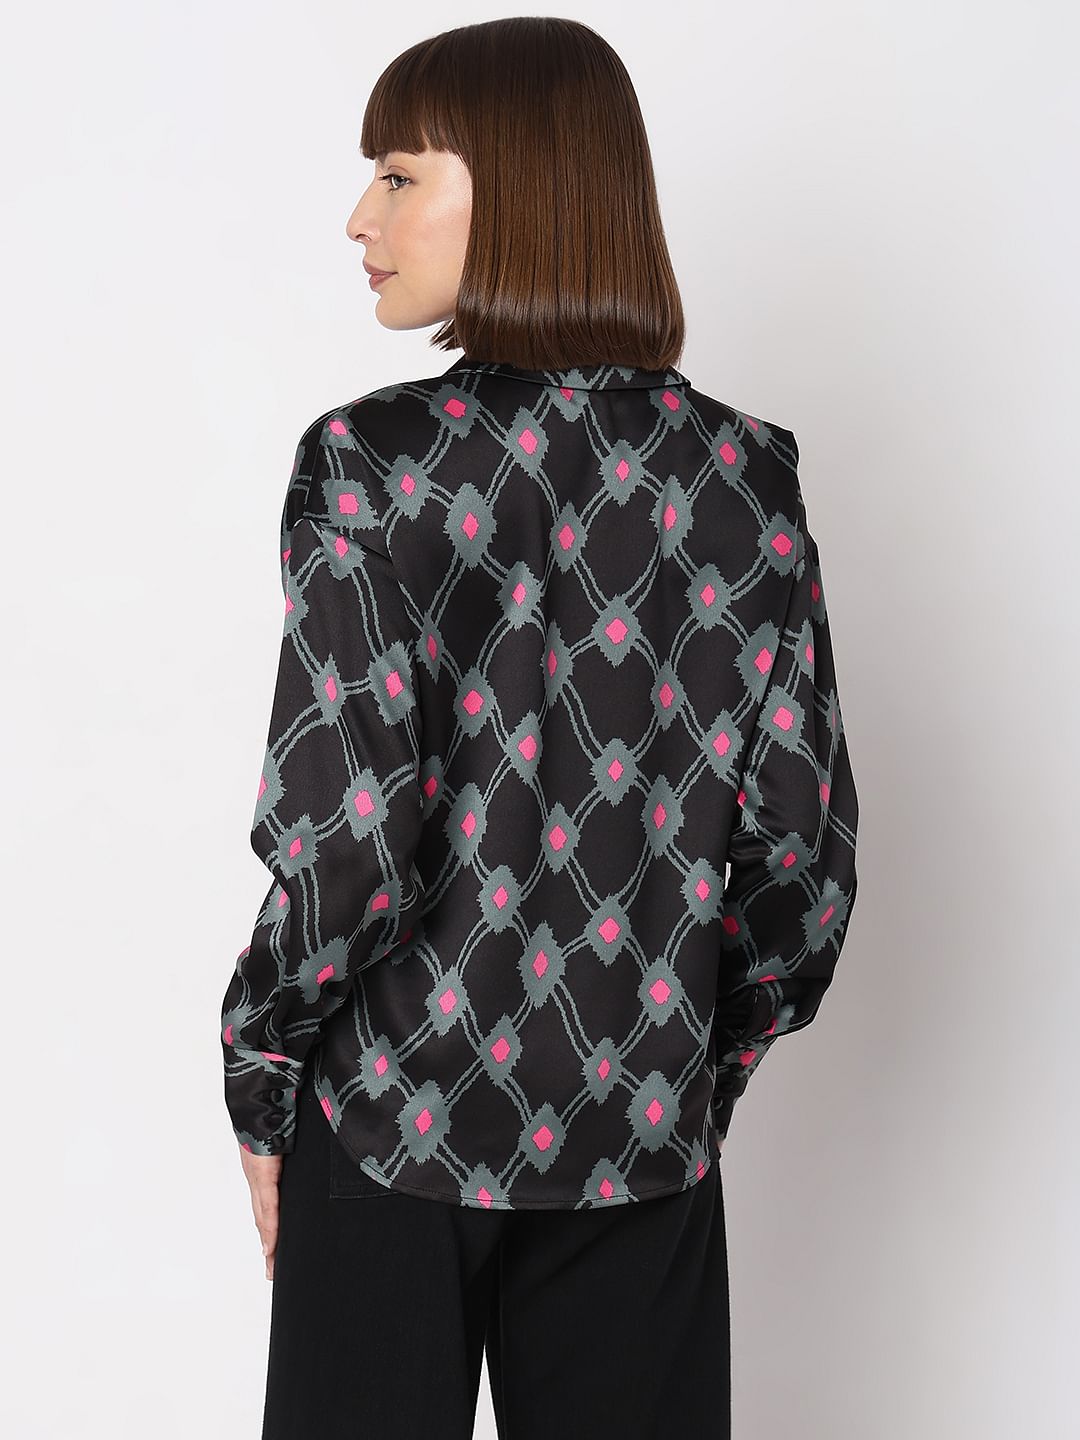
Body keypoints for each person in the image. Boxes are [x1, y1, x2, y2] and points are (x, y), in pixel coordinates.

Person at [218, 16, 860, 1439]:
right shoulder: (748, 478)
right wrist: (681, 1065)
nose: (359, 217)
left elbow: (346, 839)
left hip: (387, 1122)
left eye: (399, 174)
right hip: (640, 1128)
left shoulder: (368, 465)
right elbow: (801, 859)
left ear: (515, 189)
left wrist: (262, 1069)